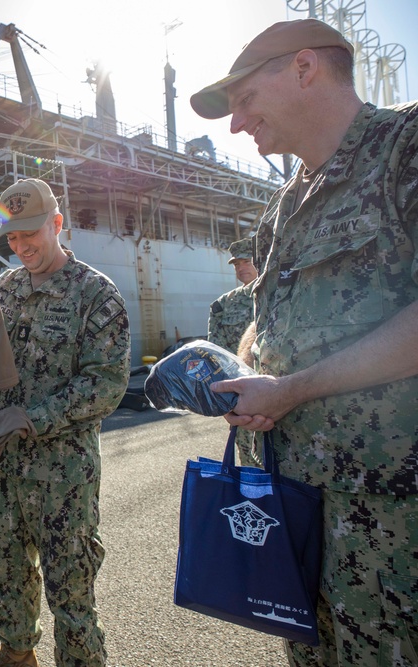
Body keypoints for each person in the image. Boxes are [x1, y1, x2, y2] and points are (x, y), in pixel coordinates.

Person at [191, 18, 418, 667]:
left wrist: (289, 391)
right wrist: (241, 373)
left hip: (397, 531)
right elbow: (272, 317)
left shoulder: (405, 146)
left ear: (304, 68)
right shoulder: (284, 206)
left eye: (243, 100)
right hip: (299, 519)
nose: (235, 124)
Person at [0, 178, 131, 667]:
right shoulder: (4, 287)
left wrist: (30, 419)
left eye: (30, 235)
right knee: (3, 566)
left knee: (71, 581)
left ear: (57, 224)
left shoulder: (96, 294)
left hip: (63, 470)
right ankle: (17, 654)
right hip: (2, 463)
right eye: (13, 239)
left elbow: (106, 385)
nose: (21, 247)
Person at [207, 237, 261, 466]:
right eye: (237, 264)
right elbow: (215, 354)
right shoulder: (222, 305)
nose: (241, 268)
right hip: (243, 400)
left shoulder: (285, 294)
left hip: (287, 395)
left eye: (246, 261)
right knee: (250, 467)